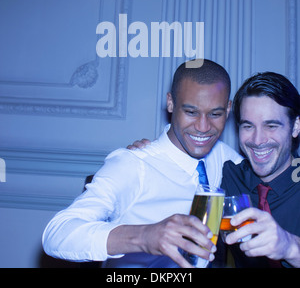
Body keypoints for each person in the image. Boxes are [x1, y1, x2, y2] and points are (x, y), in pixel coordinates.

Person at [42, 59, 242, 268]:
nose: (203, 127)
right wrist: (145, 236)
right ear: (171, 103)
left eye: (215, 114)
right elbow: (57, 233)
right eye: (191, 112)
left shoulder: (226, 159)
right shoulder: (133, 165)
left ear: (228, 109)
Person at [216, 72, 300, 268]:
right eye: (248, 126)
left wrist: (290, 246)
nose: (257, 140)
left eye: (271, 125)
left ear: (295, 127)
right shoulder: (229, 176)